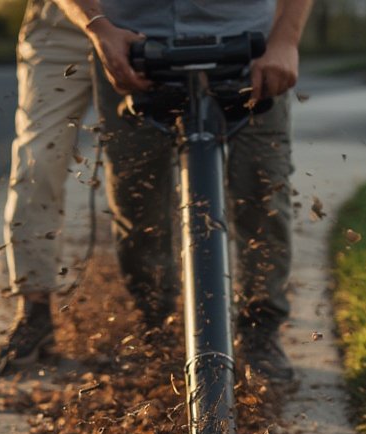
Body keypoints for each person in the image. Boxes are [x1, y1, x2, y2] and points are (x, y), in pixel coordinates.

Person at [51, 0, 313, 383]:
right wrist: (98, 28)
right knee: (137, 203)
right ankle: (155, 326)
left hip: (250, 49)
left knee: (263, 189)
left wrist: (285, 38)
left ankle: (261, 330)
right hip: (132, 48)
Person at [0, 0, 97, 365]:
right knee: (37, 161)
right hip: (62, 25)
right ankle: (34, 311)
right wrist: (98, 24)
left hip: (149, 23)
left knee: (141, 175)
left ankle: (158, 318)